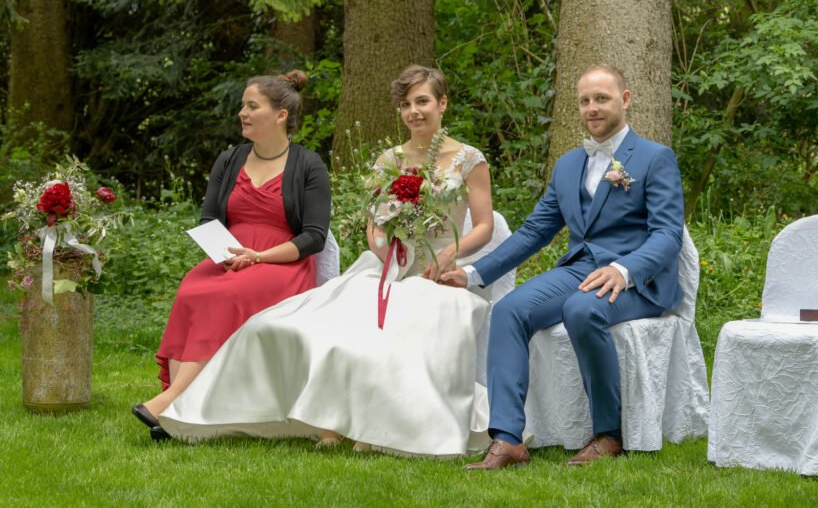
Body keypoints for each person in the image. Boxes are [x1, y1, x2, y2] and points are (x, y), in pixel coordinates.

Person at [157, 65, 496, 458]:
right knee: (322, 328)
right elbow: (374, 225)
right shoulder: (390, 159)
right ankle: (327, 421)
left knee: (400, 333)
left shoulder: (469, 159)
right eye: (405, 104)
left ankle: (379, 424)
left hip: (439, 274)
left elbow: (484, 226)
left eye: (422, 102)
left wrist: (450, 253)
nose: (413, 112)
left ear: (442, 103)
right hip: (387, 267)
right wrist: (383, 248)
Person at [440, 64, 685, 469]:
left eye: (602, 98)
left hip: (637, 282)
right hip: (578, 270)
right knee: (508, 311)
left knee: (581, 307)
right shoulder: (568, 165)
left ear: (625, 100)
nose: (592, 108)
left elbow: (666, 235)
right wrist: (473, 274)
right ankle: (507, 440)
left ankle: (608, 434)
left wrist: (623, 271)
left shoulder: (655, 158)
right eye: (585, 100)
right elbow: (535, 231)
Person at [131, 70, 331, 439]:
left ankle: (173, 402)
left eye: (252, 106)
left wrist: (260, 257)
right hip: (228, 256)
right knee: (193, 288)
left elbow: (314, 237)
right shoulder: (230, 160)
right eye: (243, 105)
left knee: (229, 294)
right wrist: (225, 255)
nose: (243, 112)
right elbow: (210, 218)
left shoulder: (308, 165)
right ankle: (181, 414)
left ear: (280, 115)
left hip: (280, 262)